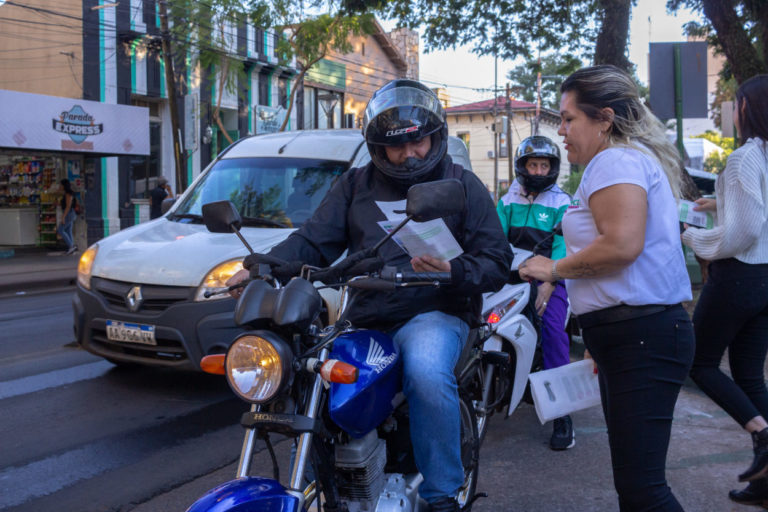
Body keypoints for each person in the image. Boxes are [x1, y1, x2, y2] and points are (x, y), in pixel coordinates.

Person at [228, 79, 513, 511]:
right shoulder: (355, 185)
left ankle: (441, 495)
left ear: (435, 137)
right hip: (365, 315)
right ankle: (312, 488)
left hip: (435, 310)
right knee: (313, 376)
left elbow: (496, 260)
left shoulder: (461, 183)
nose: (410, 153)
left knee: (425, 370)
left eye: (418, 141)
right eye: (397, 147)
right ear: (378, 148)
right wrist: (259, 266)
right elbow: (312, 241)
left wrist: (453, 270)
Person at [518, 65, 694, 511]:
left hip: (643, 336)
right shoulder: (619, 162)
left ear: (605, 118)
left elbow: (620, 246)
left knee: (643, 490)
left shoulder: (615, 160)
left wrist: (554, 269)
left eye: (568, 118)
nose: (561, 131)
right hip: (632, 335)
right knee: (636, 488)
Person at [682, 74, 768, 507]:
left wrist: (695, 239)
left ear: (748, 109)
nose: (732, 112)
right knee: (750, 374)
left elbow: (748, 229)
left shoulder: (745, 157)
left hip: (739, 274)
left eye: (736, 104)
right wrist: (719, 203)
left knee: (698, 363)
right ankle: (766, 484)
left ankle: (765, 436)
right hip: (766, 279)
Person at [496, 135, 574, 450]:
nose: (539, 171)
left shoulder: (562, 202)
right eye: (533, 164)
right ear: (523, 166)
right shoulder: (506, 200)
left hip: (551, 279)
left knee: (554, 332)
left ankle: (562, 416)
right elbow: (495, 241)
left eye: (544, 165)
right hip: (510, 276)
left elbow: (562, 248)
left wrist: (550, 281)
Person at [57, 179, 78, 255]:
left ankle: (71, 246)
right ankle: (71, 248)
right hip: (70, 213)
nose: (60, 186)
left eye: (61, 185)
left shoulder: (68, 194)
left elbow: (68, 206)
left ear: (64, 185)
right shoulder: (66, 193)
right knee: (68, 231)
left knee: (60, 230)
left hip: (69, 214)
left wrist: (63, 217)